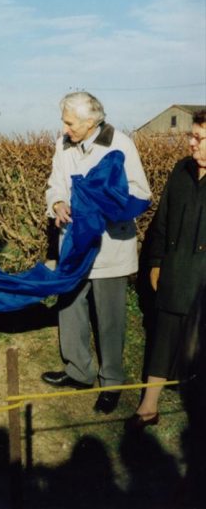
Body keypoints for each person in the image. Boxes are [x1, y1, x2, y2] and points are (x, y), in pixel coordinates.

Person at [41, 91, 151, 414]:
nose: (64, 129)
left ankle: (112, 382)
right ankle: (78, 371)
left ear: (91, 123)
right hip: (74, 247)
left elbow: (140, 193)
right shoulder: (63, 145)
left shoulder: (121, 145)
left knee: (110, 320)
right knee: (70, 309)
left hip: (109, 250)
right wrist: (58, 203)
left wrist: (101, 200)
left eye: (69, 122)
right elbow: (55, 184)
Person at [125, 109, 206, 430]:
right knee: (162, 339)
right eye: (192, 135)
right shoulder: (180, 170)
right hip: (174, 273)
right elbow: (162, 223)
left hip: (203, 283)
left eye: (199, 138)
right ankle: (148, 406)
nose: (191, 143)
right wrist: (156, 262)